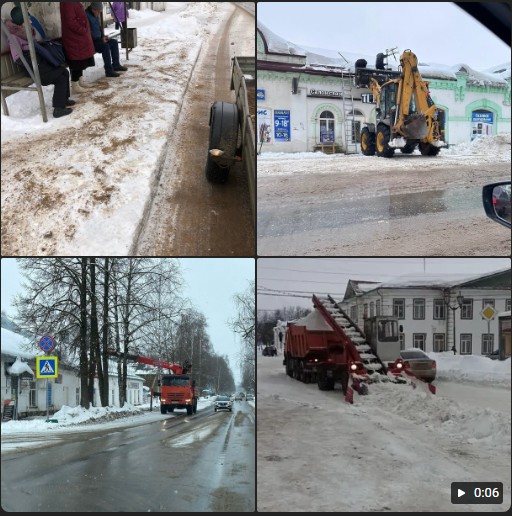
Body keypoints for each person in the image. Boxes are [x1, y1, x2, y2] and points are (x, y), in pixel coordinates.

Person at [5, 7, 75, 118]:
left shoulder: (26, 32)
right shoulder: (14, 36)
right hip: (33, 67)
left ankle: (63, 100)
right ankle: (58, 109)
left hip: (40, 63)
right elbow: (17, 58)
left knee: (64, 72)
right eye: (27, 19)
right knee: (60, 78)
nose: (30, 20)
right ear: (21, 21)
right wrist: (33, 60)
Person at [60, 2, 96, 94]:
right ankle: (75, 84)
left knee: (80, 60)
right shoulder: (68, 3)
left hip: (78, 38)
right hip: (75, 38)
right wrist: (82, 29)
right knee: (76, 61)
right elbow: (71, 21)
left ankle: (80, 80)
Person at [86, 2, 128, 78]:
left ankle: (116, 65)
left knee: (114, 42)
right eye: (98, 11)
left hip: (98, 39)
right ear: (93, 9)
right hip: (91, 42)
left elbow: (99, 28)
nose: (99, 13)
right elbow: (87, 32)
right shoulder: (86, 16)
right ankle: (108, 71)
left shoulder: (95, 15)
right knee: (105, 47)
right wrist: (99, 39)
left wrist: (103, 36)